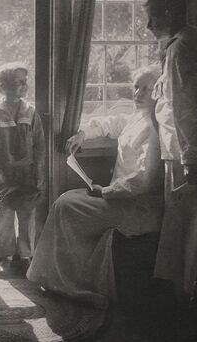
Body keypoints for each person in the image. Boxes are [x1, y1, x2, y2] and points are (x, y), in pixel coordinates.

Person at [26, 66, 163, 308]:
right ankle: (60, 280)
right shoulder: (137, 117)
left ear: (159, 92)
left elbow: (146, 180)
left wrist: (107, 191)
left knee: (66, 205)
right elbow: (109, 122)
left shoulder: (156, 128)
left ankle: (70, 284)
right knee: (66, 202)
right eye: (136, 87)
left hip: (136, 208)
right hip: (118, 197)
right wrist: (82, 134)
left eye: (146, 89)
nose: (138, 94)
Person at [144, 0, 197, 298]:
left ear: (168, 15)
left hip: (186, 154)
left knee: (189, 225)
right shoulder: (195, 42)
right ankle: (187, 292)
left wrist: (190, 159)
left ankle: (186, 294)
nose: (148, 26)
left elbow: (186, 107)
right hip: (186, 150)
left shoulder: (181, 49)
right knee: (188, 223)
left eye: (152, 18)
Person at [0, 62, 46, 276]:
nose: (24, 86)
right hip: (5, 174)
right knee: (4, 215)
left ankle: (27, 255)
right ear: (3, 87)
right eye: (19, 83)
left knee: (28, 215)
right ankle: (6, 257)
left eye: (25, 82)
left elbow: (39, 145)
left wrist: (38, 172)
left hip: (27, 173)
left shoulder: (30, 112)